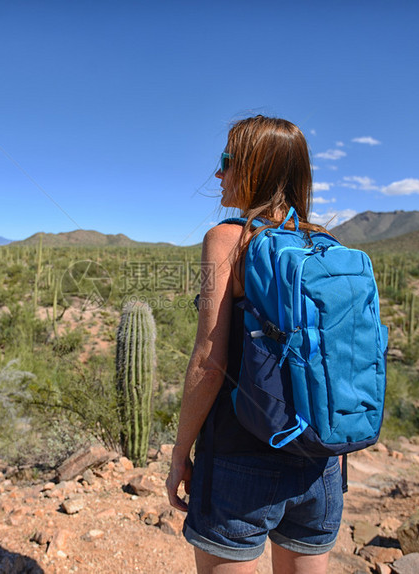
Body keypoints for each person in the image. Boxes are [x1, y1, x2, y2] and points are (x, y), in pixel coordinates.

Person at [165, 116, 342, 574]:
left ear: (256, 168)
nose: (218, 174)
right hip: (321, 460)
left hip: (239, 458)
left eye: (227, 161)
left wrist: (180, 452)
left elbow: (209, 360)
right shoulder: (326, 245)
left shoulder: (224, 240)